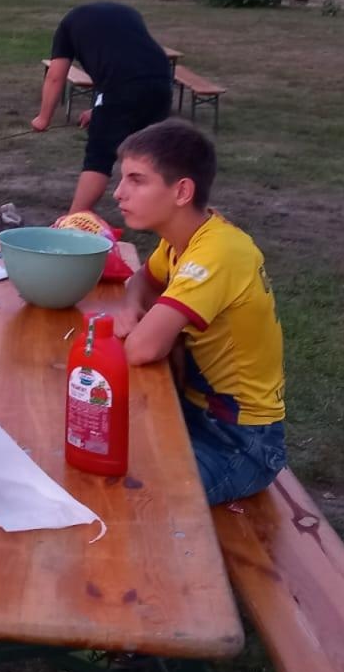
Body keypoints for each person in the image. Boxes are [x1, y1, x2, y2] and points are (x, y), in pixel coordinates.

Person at [105, 120, 287, 505]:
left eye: (137, 180)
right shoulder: (186, 238)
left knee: (134, 502)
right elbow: (142, 279)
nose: (119, 193)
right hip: (193, 413)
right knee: (93, 444)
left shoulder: (217, 253)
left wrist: (135, 325)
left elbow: (141, 349)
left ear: (182, 191)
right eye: (122, 179)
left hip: (241, 442)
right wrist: (129, 306)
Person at [30, 1, 173, 214]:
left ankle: (73, 222)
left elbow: (55, 76)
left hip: (121, 85)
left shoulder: (67, 26)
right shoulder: (129, 12)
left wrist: (43, 118)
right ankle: (161, 211)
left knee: (100, 155)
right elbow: (124, 56)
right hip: (162, 80)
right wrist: (99, 112)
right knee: (149, 151)